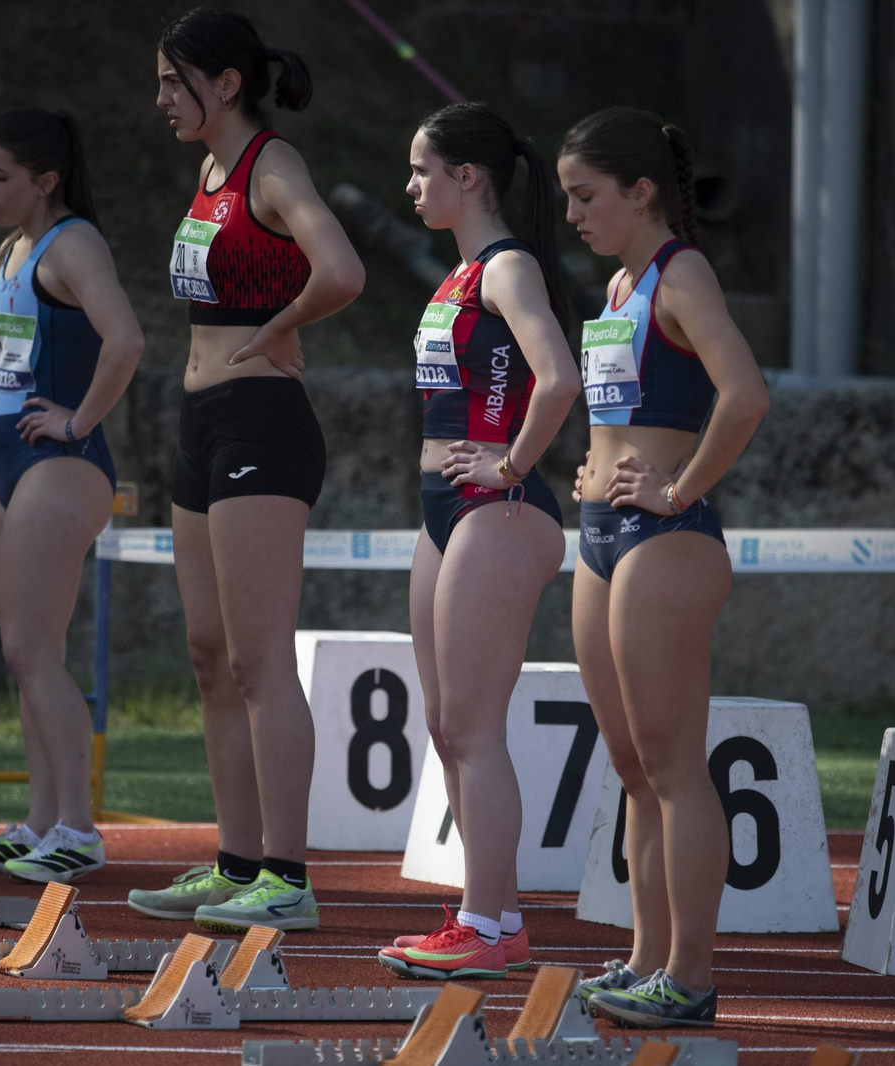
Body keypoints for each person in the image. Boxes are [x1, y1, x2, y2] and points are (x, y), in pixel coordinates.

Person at [124, 8, 363, 932]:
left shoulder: (273, 163)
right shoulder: (209, 171)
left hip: (261, 417)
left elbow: (341, 269)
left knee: (262, 659)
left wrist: (280, 329)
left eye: (172, 82)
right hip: (201, 419)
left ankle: (287, 878)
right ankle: (235, 861)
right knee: (210, 656)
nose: (159, 98)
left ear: (226, 83)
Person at [556, 106, 770, 1025]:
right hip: (602, 534)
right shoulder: (618, 285)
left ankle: (690, 973)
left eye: (586, 196)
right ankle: (647, 959)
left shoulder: (682, 273)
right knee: (633, 768)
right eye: (567, 197)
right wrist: (596, 463)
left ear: (641, 192)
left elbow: (746, 394)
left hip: (665, 543)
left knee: (675, 767)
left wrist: (678, 488)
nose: (572, 214)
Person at [375, 102, 581, 981]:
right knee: (445, 723)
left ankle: (492, 925)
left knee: (470, 723)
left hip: (495, 511)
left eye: (423, 170)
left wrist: (511, 465)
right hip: (445, 509)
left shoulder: (506, 268)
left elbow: (559, 374)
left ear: (470, 177)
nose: (411, 185)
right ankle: (484, 913)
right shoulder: (457, 276)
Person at [0, 109, 145, 884]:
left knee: (33, 650)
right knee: (24, 651)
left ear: (46, 180)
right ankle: (38, 821)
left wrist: (79, 418)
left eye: (0, 177)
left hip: (59, 464)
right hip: (4, 457)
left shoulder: (76, 245)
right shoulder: (13, 247)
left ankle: (78, 828)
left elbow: (127, 338)